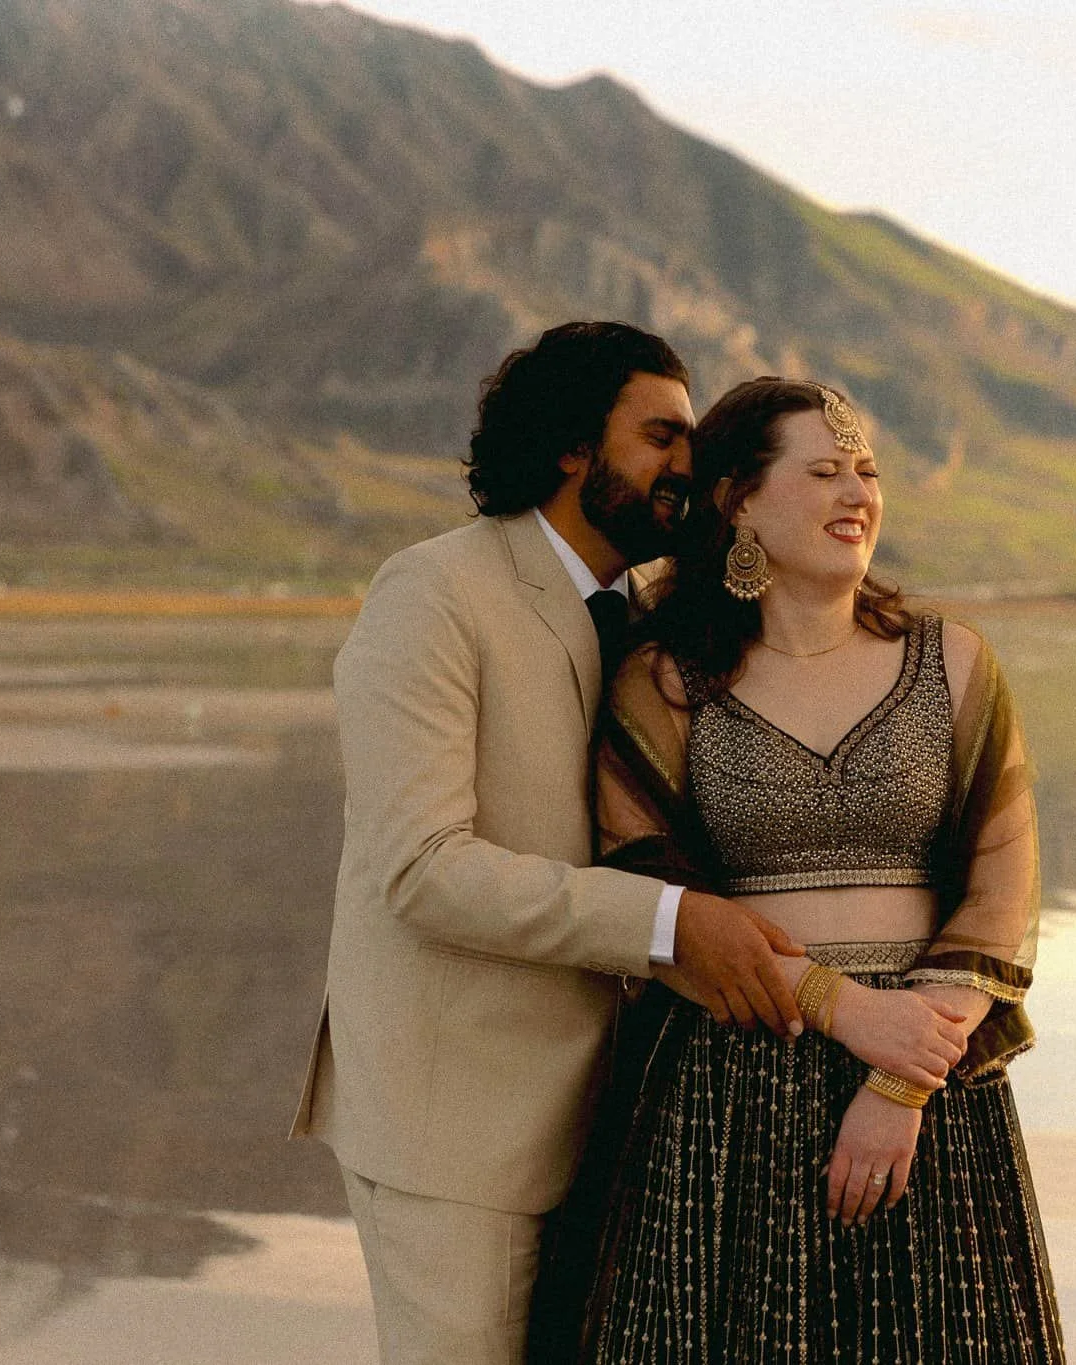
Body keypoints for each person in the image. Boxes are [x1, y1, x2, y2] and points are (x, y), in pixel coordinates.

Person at [289, 323, 812, 1365]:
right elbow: (422, 870)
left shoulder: (657, 623)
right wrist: (670, 928)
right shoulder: (433, 593)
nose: (686, 464)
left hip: (609, 1127)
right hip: (455, 1127)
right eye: (659, 435)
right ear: (574, 446)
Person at [559, 377, 1066, 1362]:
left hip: (932, 1079)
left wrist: (900, 1081)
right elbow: (652, 895)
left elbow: (1004, 880)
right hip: (732, 1083)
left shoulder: (953, 662)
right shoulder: (664, 679)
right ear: (737, 501)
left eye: (867, 473)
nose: (857, 494)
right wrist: (842, 1007)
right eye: (824, 471)